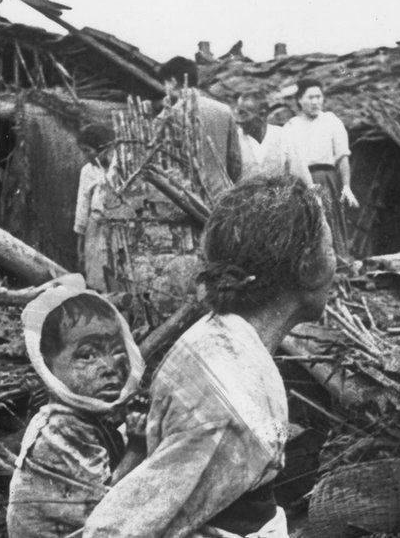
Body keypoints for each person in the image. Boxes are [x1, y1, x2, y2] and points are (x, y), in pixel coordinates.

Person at [83, 175, 337, 537]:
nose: (337, 260)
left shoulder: (217, 335)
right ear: (306, 267)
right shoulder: (232, 398)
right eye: (329, 247)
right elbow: (117, 530)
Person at [7, 276, 145, 538]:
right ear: (48, 365)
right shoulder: (59, 430)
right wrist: (137, 447)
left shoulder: (84, 418)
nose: (109, 367)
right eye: (88, 355)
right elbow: (112, 511)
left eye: (117, 351)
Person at [283, 79, 358, 257]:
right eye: (310, 97)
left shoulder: (332, 121)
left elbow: (342, 156)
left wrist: (346, 186)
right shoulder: (291, 126)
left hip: (327, 179)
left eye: (319, 97)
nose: (315, 102)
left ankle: (340, 265)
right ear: (300, 100)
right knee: (307, 225)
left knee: (331, 222)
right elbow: (288, 162)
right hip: (301, 181)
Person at [158, 56, 242, 204]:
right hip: (222, 197)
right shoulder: (224, 111)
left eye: (165, 83)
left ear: (172, 82)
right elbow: (235, 162)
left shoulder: (166, 118)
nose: (165, 88)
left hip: (186, 200)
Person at [234, 91, 311, 186]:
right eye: (238, 113)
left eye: (244, 114)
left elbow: (301, 177)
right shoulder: (235, 140)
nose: (238, 120)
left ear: (262, 114)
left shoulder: (284, 136)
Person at [74, 124, 116, 291]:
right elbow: (82, 207)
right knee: (96, 275)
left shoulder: (119, 166)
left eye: (87, 151)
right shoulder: (87, 171)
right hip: (95, 230)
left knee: (116, 272)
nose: (85, 156)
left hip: (117, 228)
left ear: (102, 149)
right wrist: (80, 244)